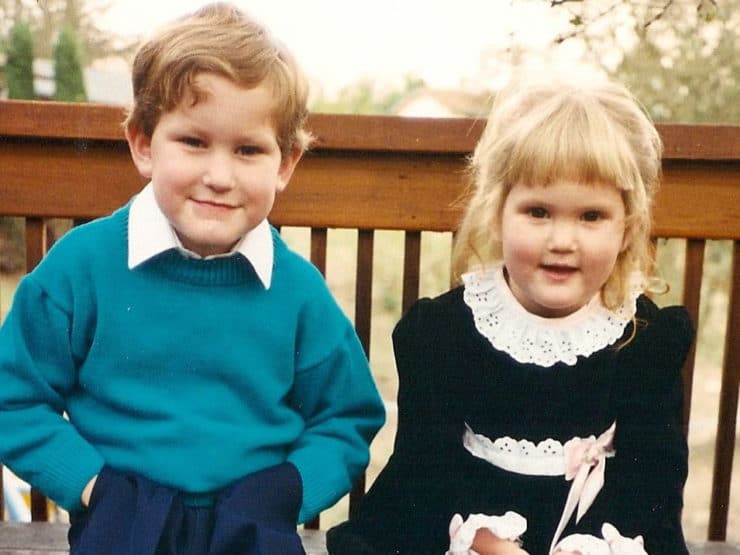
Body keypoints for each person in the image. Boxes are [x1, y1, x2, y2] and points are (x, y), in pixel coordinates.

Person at [0, 3, 385, 554]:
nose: (219, 176)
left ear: (285, 164)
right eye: (194, 142)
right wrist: (94, 487)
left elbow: (348, 417)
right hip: (124, 525)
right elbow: (12, 397)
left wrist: (284, 493)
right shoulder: (79, 269)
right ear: (142, 144)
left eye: (248, 150)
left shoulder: (297, 291)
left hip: (253, 529)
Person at [327, 73, 693, 555]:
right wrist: (483, 540)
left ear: (627, 228)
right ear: (497, 213)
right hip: (463, 533)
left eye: (591, 216)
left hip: (601, 538)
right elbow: (424, 473)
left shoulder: (643, 340)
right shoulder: (444, 333)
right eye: (538, 212)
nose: (563, 241)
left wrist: (590, 546)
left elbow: (652, 485)